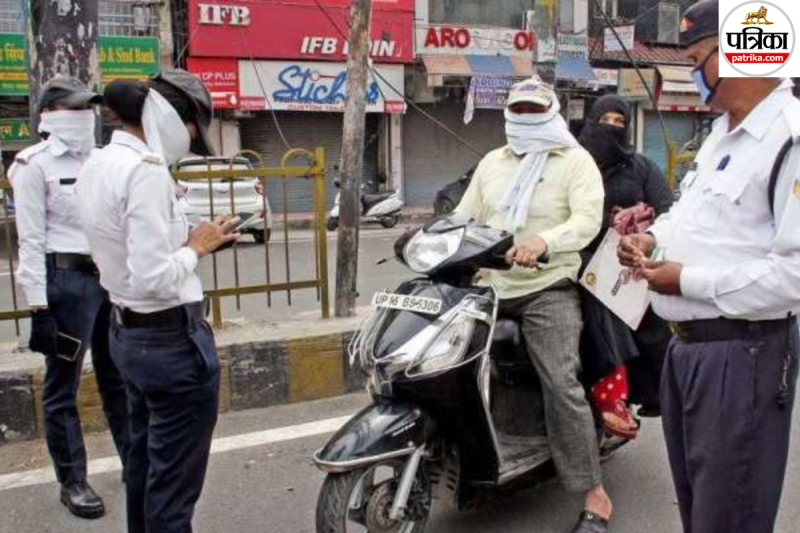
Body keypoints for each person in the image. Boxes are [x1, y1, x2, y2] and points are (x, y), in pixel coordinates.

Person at [618, 2, 800, 531]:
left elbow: (793, 276)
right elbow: (690, 217)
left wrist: (686, 280)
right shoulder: (721, 133)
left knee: (729, 515)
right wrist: (652, 239)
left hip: (741, 356)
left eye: (699, 58)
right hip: (687, 353)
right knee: (700, 510)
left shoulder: (789, 139)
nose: (693, 72)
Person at [76, 71, 237, 532]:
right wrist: (196, 248)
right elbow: (153, 279)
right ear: (173, 119)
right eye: (192, 128)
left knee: (144, 467)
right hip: (170, 342)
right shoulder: (145, 172)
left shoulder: (99, 163)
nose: (191, 139)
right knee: (172, 492)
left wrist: (194, 240)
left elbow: (123, 250)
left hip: (128, 335)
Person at [457, 79, 612, 533]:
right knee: (444, 362)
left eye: (534, 110)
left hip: (548, 286)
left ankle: (594, 494)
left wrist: (546, 241)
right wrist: (434, 236)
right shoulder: (492, 162)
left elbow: (587, 219)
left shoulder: (575, 161)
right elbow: (464, 216)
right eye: (518, 110)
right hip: (490, 284)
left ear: (551, 112)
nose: (525, 117)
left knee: (561, 382)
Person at [9, 76, 129, 519]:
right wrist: (39, 307)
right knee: (63, 385)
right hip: (66, 285)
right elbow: (31, 241)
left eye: (87, 109)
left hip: (107, 279)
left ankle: (134, 460)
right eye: (73, 109)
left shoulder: (102, 160)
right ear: (49, 115)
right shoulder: (33, 165)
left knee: (119, 377)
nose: (83, 117)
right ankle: (72, 480)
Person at [577, 95, 673, 439]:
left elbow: (668, 212)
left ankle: (615, 394)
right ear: (591, 121)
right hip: (574, 254)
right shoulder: (574, 162)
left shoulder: (642, 167)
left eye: (620, 122)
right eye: (606, 120)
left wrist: (640, 228)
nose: (612, 128)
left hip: (628, 261)